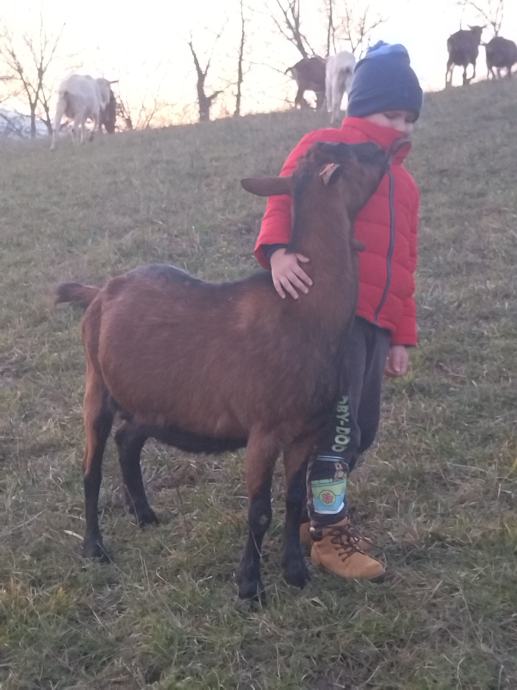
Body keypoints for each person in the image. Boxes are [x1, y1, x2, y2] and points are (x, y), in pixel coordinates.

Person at [253, 42, 423, 581]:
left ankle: (312, 510)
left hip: (377, 325)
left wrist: (400, 335)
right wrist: (276, 252)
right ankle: (328, 535)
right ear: (361, 105)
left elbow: (405, 262)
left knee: (362, 428)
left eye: (409, 118)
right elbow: (284, 198)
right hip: (333, 320)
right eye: (390, 114)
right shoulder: (325, 147)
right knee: (339, 428)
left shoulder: (405, 184)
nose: (400, 127)